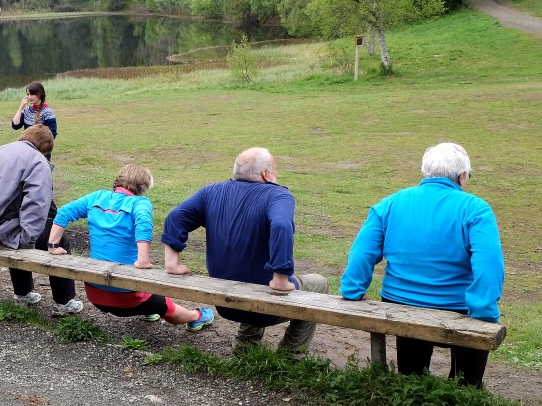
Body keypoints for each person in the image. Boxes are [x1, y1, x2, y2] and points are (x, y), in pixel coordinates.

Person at [340, 142, 504, 386]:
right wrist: (482, 312)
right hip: (458, 307)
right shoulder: (475, 208)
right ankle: (464, 397)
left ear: (426, 173)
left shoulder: (391, 203)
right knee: (467, 380)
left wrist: (352, 291)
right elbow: (489, 265)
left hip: (400, 303)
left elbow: (362, 251)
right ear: (461, 176)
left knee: (411, 375)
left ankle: (411, 392)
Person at [161, 147, 329, 355]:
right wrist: (281, 277)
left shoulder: (211, 192)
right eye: (275, 169)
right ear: (266, 174)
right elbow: (282, 225)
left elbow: (175, 217)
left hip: (225, 303)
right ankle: (291, 356)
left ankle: (245, 345)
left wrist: (172, 263)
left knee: (252, 269)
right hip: (265, 306)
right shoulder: (278, 195)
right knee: (319, 283)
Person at [48, 164, 214, 330]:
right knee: (168, 308)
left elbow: (63, 212)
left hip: (95, 293)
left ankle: (149, 311)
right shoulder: (139, 203)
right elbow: (143, 225)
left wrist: (53, 245)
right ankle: (197, 316)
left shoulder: (96, 197)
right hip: (129, 298)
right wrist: (143, 261)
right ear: (142, 187)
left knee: (149, 296)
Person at [0, 125, 83, 315]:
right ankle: (64, 301)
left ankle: (23, 293)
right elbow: (35, 204)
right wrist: (26, 242)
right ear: (45, 149)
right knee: (57, 238)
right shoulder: (37, 161)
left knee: (18, 232)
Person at [12, 81, 57, 148]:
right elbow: (15, 126)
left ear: (39, 94)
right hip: (27, 149)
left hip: (41, 150)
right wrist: (21, 108)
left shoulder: (48, 112)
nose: (29, 97)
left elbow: (52, 135)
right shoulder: (27, 111)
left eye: (32, 94)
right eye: (28, 94)